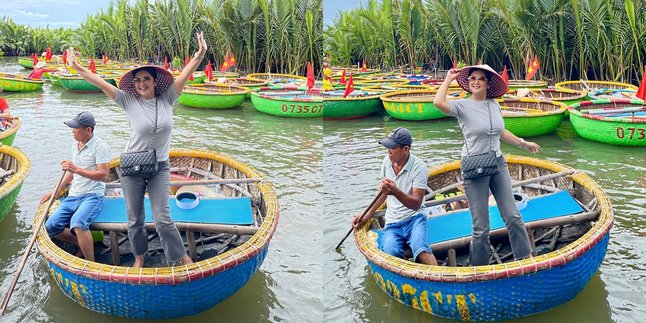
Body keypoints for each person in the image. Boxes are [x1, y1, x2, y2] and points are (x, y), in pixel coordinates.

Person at [66, 32, 207, 267]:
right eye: (137, 80)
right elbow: (99, 82)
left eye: (146, 79)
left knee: (162, 218)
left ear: (154, 81)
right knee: (135, 218)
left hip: (160, 167)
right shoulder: (128, 101)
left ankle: (180, 256)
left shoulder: (168, 98)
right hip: (132, 167)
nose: (141, 84)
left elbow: (186, 73)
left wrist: (200, 54)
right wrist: (77, 67)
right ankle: (139, 257)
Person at [433, 64, 540, 266]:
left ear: (487, 83)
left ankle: (525, 258)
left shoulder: (493, 105)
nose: (476, 81)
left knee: (512, 215)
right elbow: (438, 102)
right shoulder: (462, 106)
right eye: (473, 78)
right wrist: (448, 79)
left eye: (481, 78)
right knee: (481, 226)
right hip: (475, 168)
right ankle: (479, 269)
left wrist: (523, 144)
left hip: (498, 164)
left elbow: (501, 131)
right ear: (468, 83)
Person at [352, 127, 438, 266]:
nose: (388, 151)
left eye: (392, 147)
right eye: (387, 147)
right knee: (390, 253)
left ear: (405, 149)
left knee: (421, 249)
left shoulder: (419, 167)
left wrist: (396, 192)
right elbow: (382, 194)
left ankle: (438, 279)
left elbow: (416, 204)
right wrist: (365, 215)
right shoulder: (386, 161)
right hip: (392, 223)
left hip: (415, 219)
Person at [42, 111, 111, 262]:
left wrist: (76, 169)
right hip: (73, 195)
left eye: (76, 128)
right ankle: (81, 243)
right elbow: (71, 174)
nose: (72, 131)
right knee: (50, 226)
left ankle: (91, 263)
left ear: (88, 130)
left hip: (92, 195)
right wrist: (55, 190)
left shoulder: (100, 146)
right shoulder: (75, 145)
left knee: (78, 223)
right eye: (72, 127)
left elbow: (104, 175)